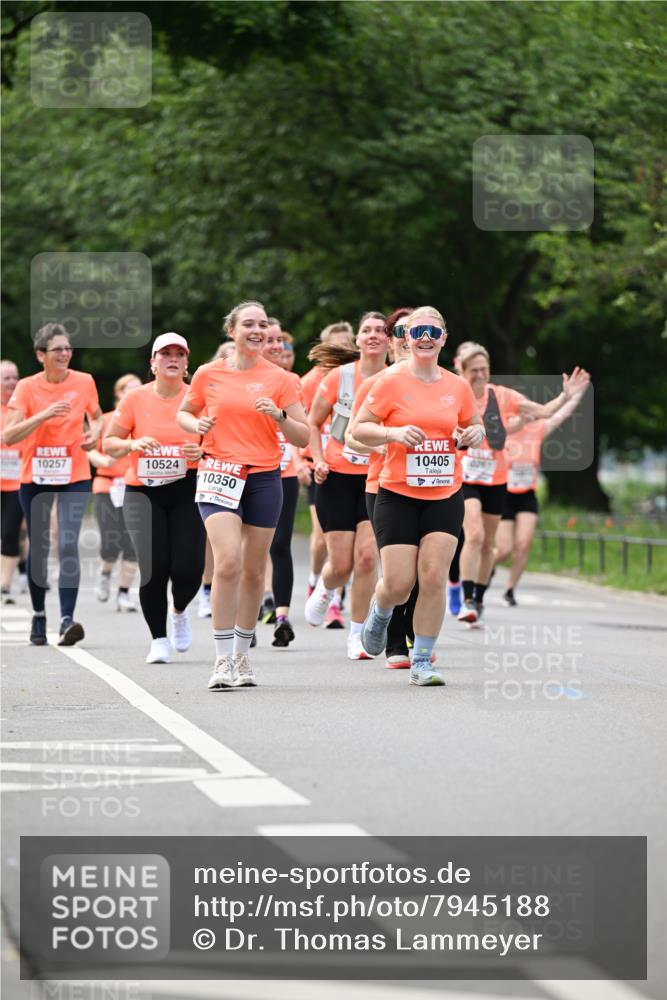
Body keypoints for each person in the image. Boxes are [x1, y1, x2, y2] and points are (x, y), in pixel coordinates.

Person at [177, 300, 309, 690]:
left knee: (254, 569)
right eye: (248, 324)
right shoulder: (207, 373)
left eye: (263, 325)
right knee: (228, 562)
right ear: (231, 330)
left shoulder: (281, 378)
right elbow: (184, 413)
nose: (257, 330)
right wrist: (196, 423)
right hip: (218, 471)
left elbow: (303, 435)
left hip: (264, 477)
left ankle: (241, 655)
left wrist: (280, 417)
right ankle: (220, 660)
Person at [352, 306, 484, 686]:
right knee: (398, 583)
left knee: (433, 576)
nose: (425, 337)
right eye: (417, 330)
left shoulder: (456, 385)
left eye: (433, 330)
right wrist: (392, 434)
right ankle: (380, 610)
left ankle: (422, 659)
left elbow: (472, 424)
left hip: (445, 492)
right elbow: (360, 430)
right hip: (397, 492)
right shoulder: (389, 382)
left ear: (444, 337)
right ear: (406, 338)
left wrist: (472, 434)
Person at [456, 343, 590, 625]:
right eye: (475, 370)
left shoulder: (502, 395)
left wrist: (566, 395)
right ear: (463, 370)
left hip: (496, 479)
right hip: (466, 478)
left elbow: (543, 411)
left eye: (485, 369)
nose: (481, 375)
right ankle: (466, 598)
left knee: (487, 544)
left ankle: (479, 597)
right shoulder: (456, 395)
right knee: (475, 535)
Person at [104, 333, 205, 663]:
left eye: (179, 353)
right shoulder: (135, 398)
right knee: (154, 566)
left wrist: (201, 450)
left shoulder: (198, 398)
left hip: (187, 487)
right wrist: (132, 445)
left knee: (189, 568)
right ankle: (158, 639)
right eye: (165, 354)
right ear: (153, 362)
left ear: (187, 363)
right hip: (143, 491)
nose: (172, 358)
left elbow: (220, 443)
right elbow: (110, 444)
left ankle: (178, 611)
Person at [3, 324, 103, 645]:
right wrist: (43, 415)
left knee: (68, 543)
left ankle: (65, 620)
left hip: (74, 473)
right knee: (40, 545)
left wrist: (95, 434)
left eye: (68, 348)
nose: (65, 354)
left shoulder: (84, 381)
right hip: (36, 477)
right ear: (40, 355)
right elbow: (8, 435)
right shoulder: (27, 389)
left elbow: (97, 416)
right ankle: (38, 613)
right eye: (57, 349)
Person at [304, 312, 388, 660]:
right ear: (357, 341)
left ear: (390, 340)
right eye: (366, 330)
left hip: (377, 479)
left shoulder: (396, 378)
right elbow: (313, 421)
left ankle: (356, 634)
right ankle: (326, 587)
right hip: (336, 478)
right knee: (341, 565)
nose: (372, 335)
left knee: (367, 559)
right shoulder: (340, 377)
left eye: (379, 331)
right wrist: (318, 459)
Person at [347, 308, 417, 669]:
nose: (409, 338)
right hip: (383, 486)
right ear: (391, 341)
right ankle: (395, 641)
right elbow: (350, 437)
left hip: (430, 486)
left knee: (426, 567)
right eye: (401, 332)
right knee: (398, 569)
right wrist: (383, 442)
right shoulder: (375, 384)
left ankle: (415, 634)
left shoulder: (438, 382)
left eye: (415, 330)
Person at [495, 381, 589, 605]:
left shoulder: (538, 428)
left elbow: (562, 414)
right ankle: (480, 578)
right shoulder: (505, 430)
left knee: (524, 544)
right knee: (504, 549)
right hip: (504, 495)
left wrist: (574, 394)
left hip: (527, 495)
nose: (527, 416)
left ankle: (510, 589)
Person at [258, 318, 310, 646]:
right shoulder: (234, 377)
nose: (277, 346)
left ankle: (282, 617)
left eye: (281, 340)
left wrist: (280, 417)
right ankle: (243, 618)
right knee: (247, 550)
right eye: (270, 340)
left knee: (279, 545)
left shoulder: (290, 381)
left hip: (283, 471)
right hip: (245, 473)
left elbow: (302, 432)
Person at [300, 321, 356, 628]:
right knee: (322, 538)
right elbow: (302, 424)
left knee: (357, 550)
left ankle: (335, 601)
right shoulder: (311, 382)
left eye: (348, 343)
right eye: (338, 344)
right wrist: (302, 460)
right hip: (319, 466)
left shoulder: (361, 377)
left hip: (356, 466)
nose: (344, 350)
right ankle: (315, 580)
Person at [88, 373, 141, 612]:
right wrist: (104, 460)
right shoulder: (106, 421)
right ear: (118, 394)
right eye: (128, 389)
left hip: (137, 487)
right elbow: (88, 451)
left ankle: (123, 593)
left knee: (132, 543)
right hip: (107, 485)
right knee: (111, 539)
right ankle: (105, 573)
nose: (133, 393)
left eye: (138, 389)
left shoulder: (146, 419)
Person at [1, 359, 22, 603]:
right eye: (6, 378)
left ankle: (4, 584)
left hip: (16, 483)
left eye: (14, 377)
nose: (12, 382)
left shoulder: (22, 409)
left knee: (10, 533)